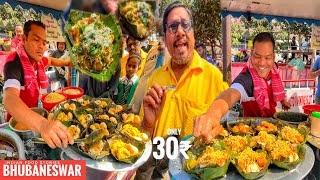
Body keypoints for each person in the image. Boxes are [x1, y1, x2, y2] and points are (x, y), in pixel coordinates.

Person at [135, 2, 228, 179]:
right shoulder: (155, 79)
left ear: (193, 33)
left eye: (185, 25)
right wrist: (148, 123)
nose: (180, 31)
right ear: (165, 37)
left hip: (195, 173)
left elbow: (223, 139)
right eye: (172, 27)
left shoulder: (214, 78)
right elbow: (142, 137)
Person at [194, 32, 290, 142]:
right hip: (251, 135)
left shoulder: (274, 69)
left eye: (267, 57)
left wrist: (282, 100)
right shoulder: (247, 78)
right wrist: (213, 114)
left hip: (273, 128)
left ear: (274, 56)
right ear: (251, 53)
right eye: (257, 56)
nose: (262, 63)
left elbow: (275, 87)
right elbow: (230, 94)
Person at [3, 20, 73, 148]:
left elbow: (51, 60)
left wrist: (68, 63)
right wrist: (42, 124)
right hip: (18, 125)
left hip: (35, 120)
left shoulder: (38, 61)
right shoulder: (14, 63)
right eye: (36, 40)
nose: (42, 46)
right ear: (24, 39)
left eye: (44, 42)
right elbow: (9, 98)